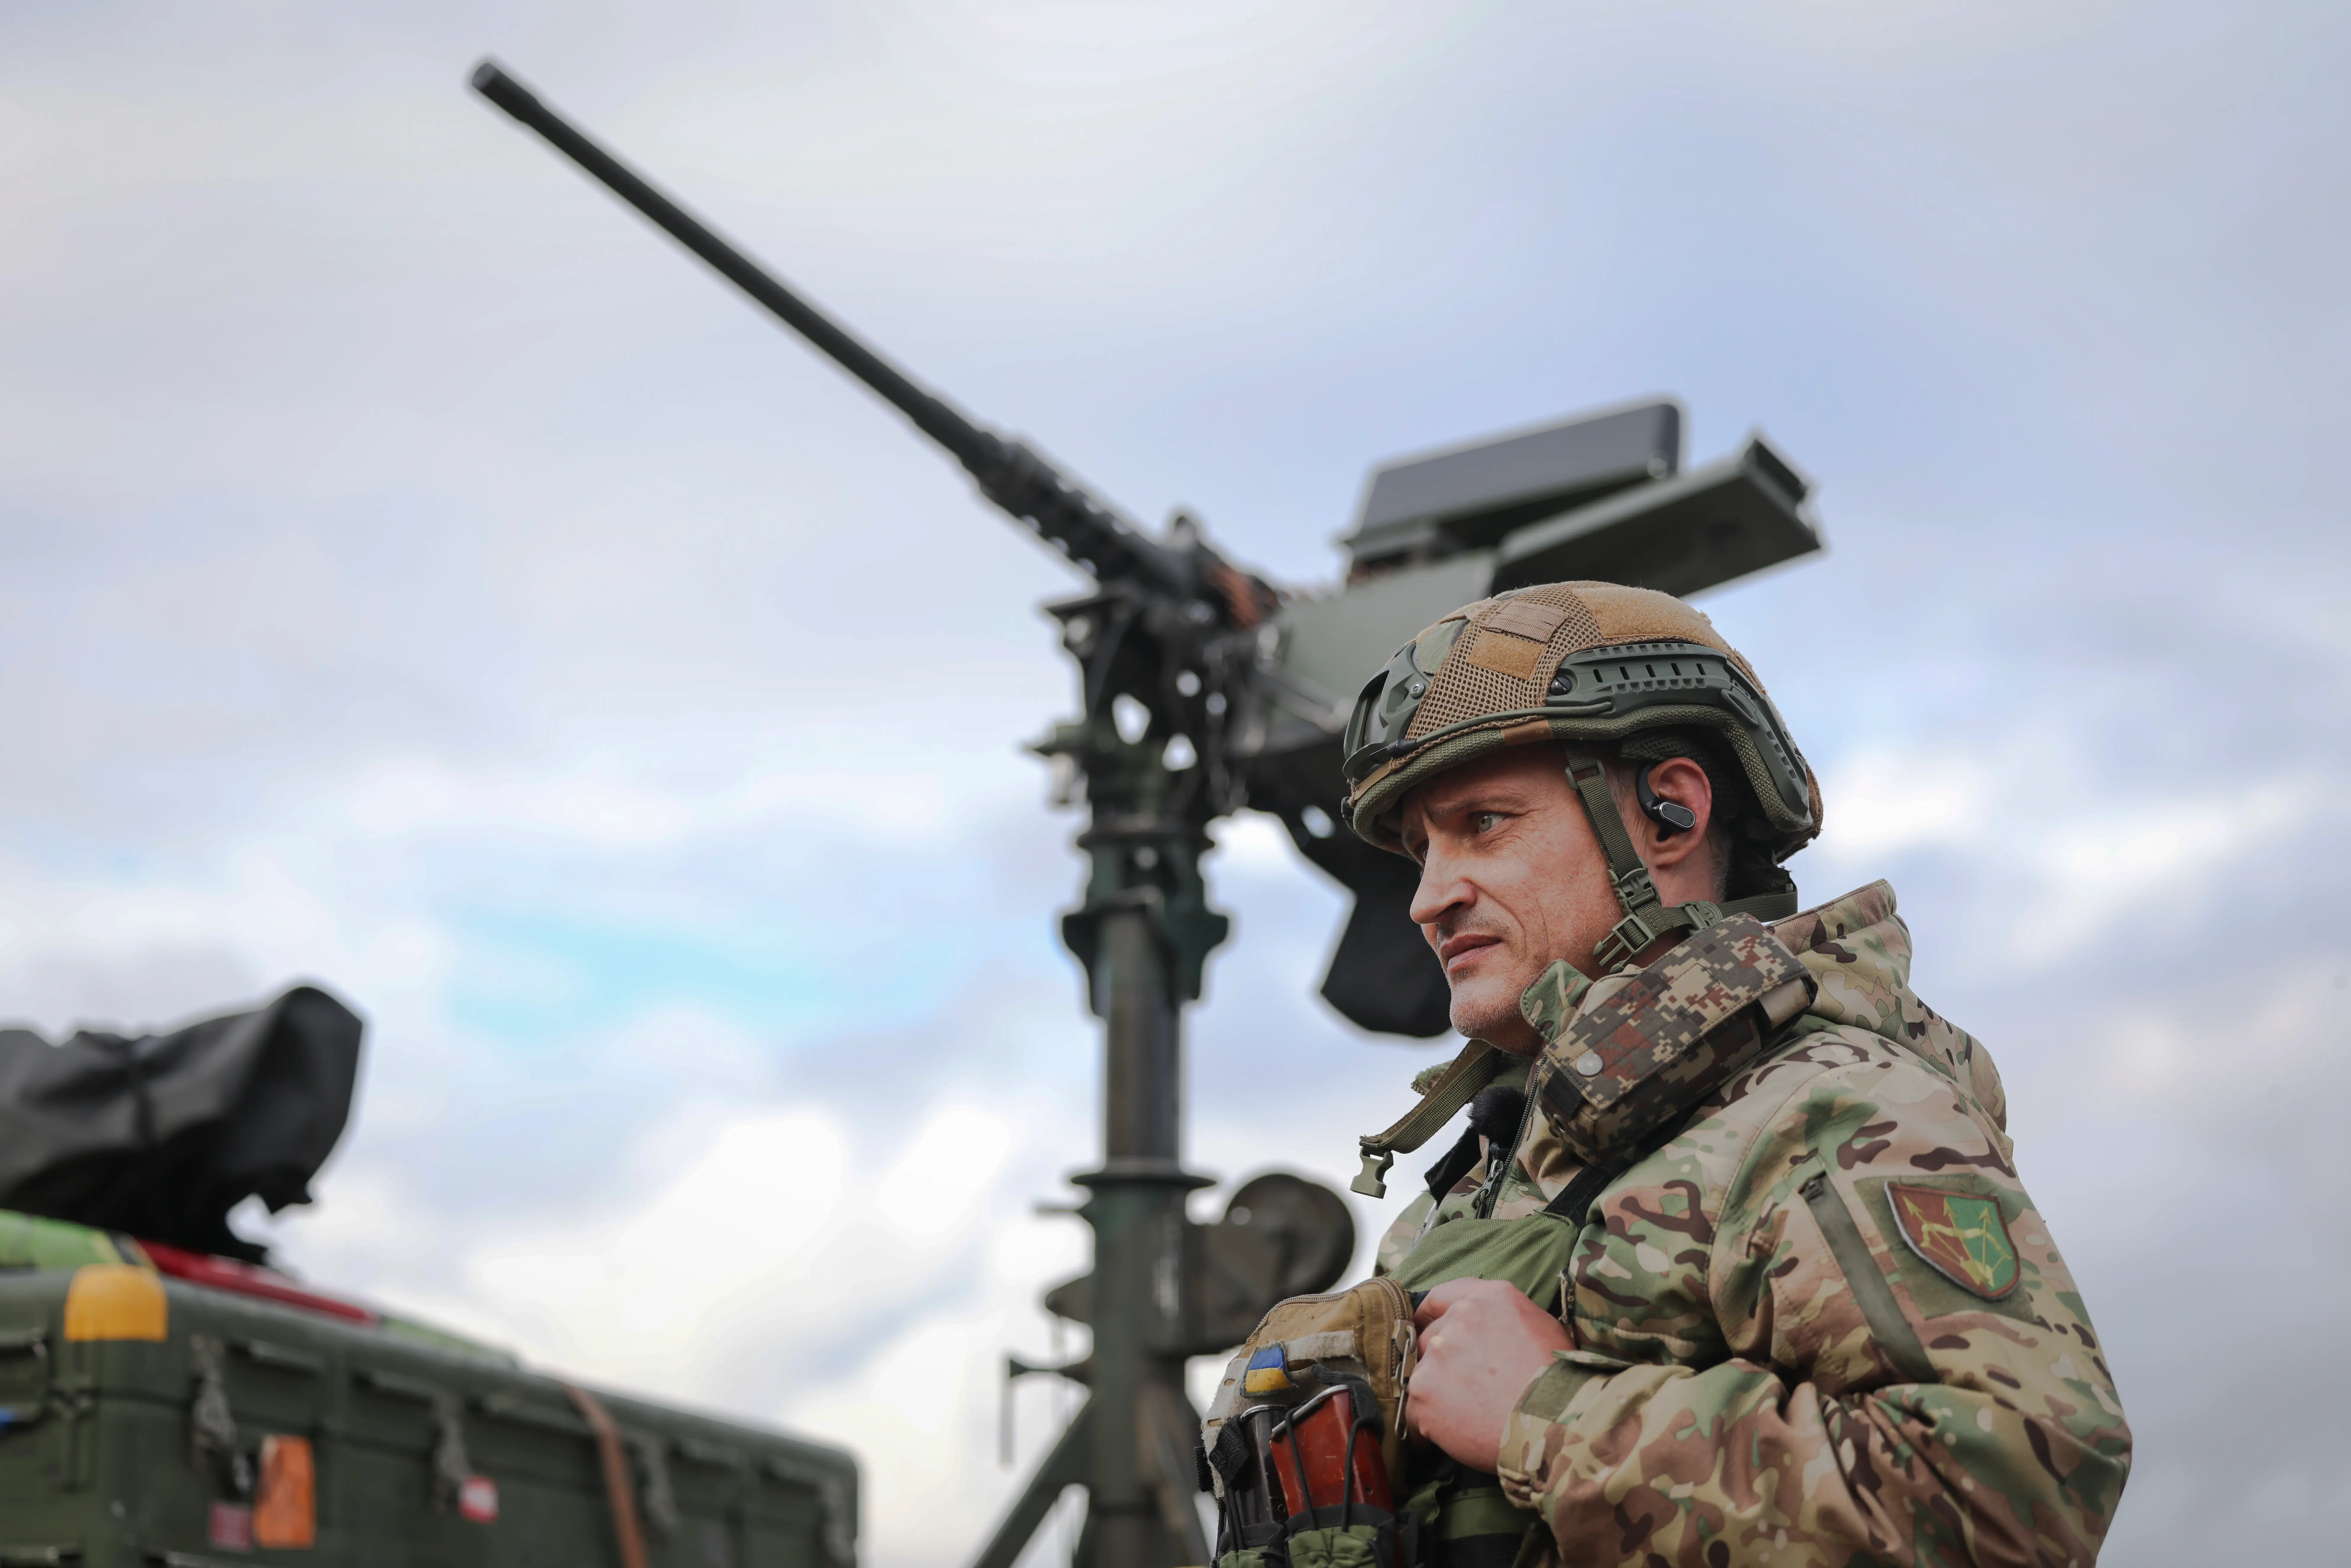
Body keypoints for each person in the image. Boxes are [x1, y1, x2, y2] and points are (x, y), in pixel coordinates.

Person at [1336, 581, 2130, 1567]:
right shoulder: (1471, 1190)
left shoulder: (1822, 1105)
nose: (1429, 897)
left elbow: (2013, 1493)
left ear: (1670, 814)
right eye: (1421, 851)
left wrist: (1550, 1416)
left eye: (1484, 823)